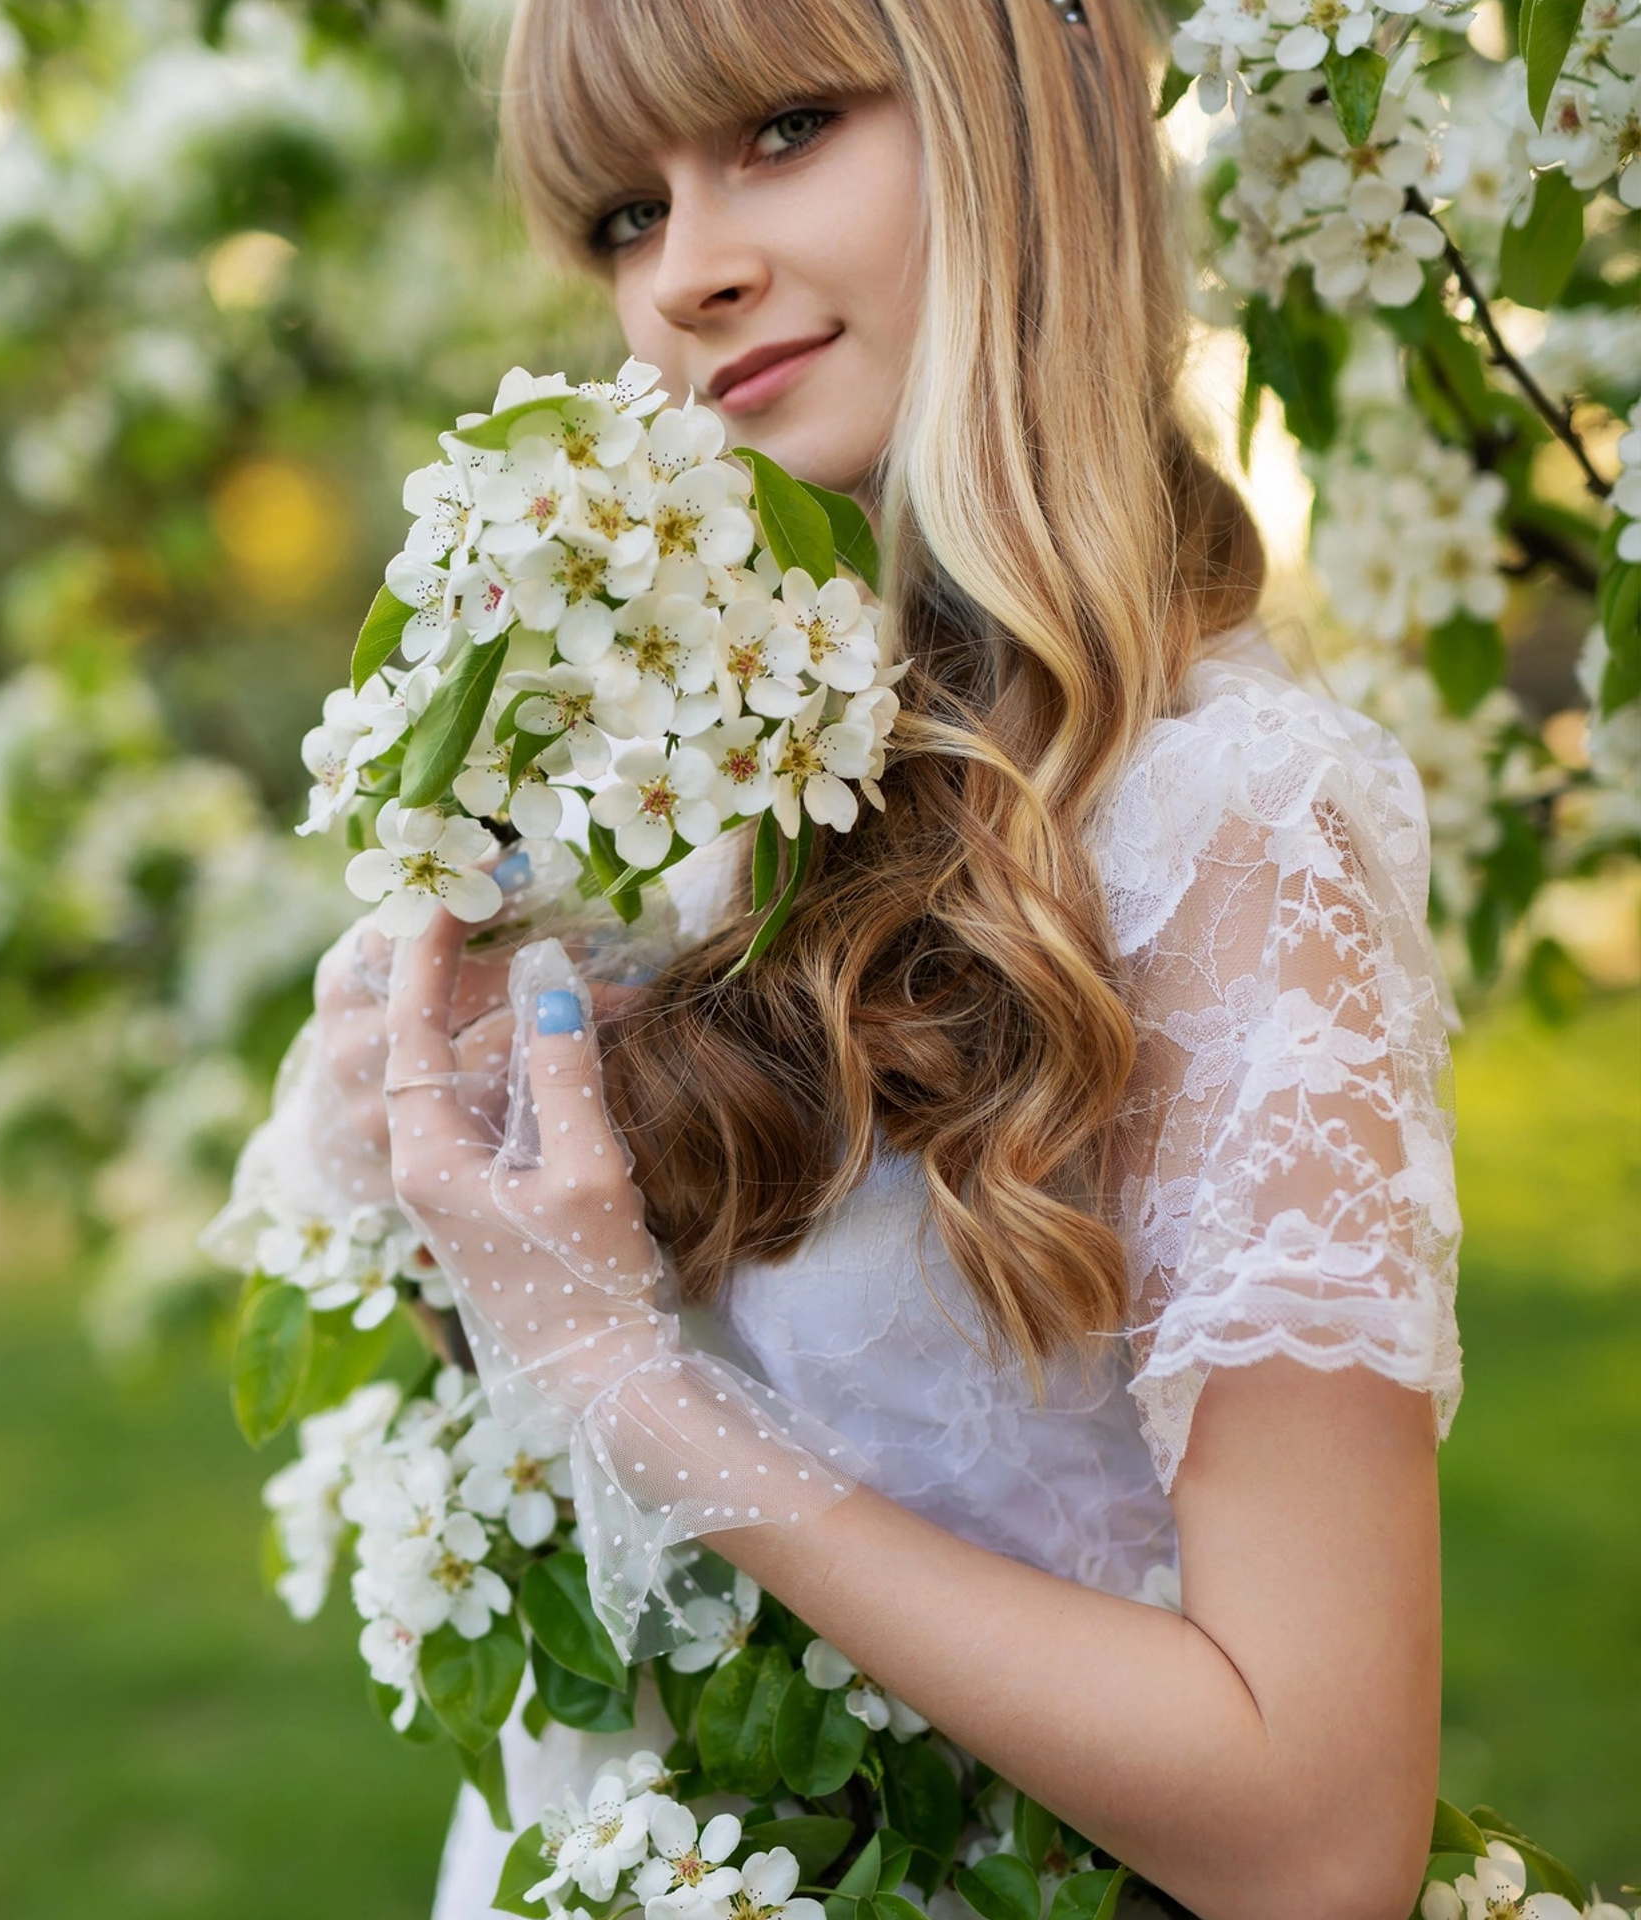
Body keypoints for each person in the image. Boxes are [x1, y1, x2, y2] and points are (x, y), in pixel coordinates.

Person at [338, 2, 1464, 1914]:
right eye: (622, 213)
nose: (689, 271)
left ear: (1014, 117)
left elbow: (1318, 1831)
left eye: (782, 126)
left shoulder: (1230, 822)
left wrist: (623, 1379)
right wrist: (464, 1209)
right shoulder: (694, 784)